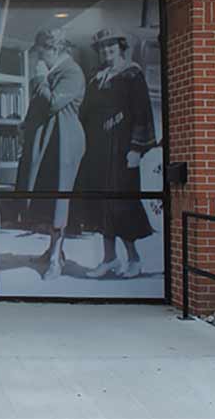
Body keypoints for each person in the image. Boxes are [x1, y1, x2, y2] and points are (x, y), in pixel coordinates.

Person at [77, 28, 157, 279]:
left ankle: (134, 258)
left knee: (121, 205)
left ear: (120, 47)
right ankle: (109, 259)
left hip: (122, 150)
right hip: (98, 151)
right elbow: (86, 115)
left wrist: (136, 148)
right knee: (102, 206)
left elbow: (142, 113)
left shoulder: (132, 75)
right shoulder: (96, 78)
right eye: (101, 47)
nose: (106, 50)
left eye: (110, 46)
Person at [15, 27, 86, 280]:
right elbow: (38, 106)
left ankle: (56, 259)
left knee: (59, 199)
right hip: (47, 143)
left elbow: (54, 102)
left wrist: (39, 80)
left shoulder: (72, 72)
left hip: (64, 144)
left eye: (42, 52)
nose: (39, 58)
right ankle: (53, 251)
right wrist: (25, 125)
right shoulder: (54, 71)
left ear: (54, 49)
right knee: (45, 197)